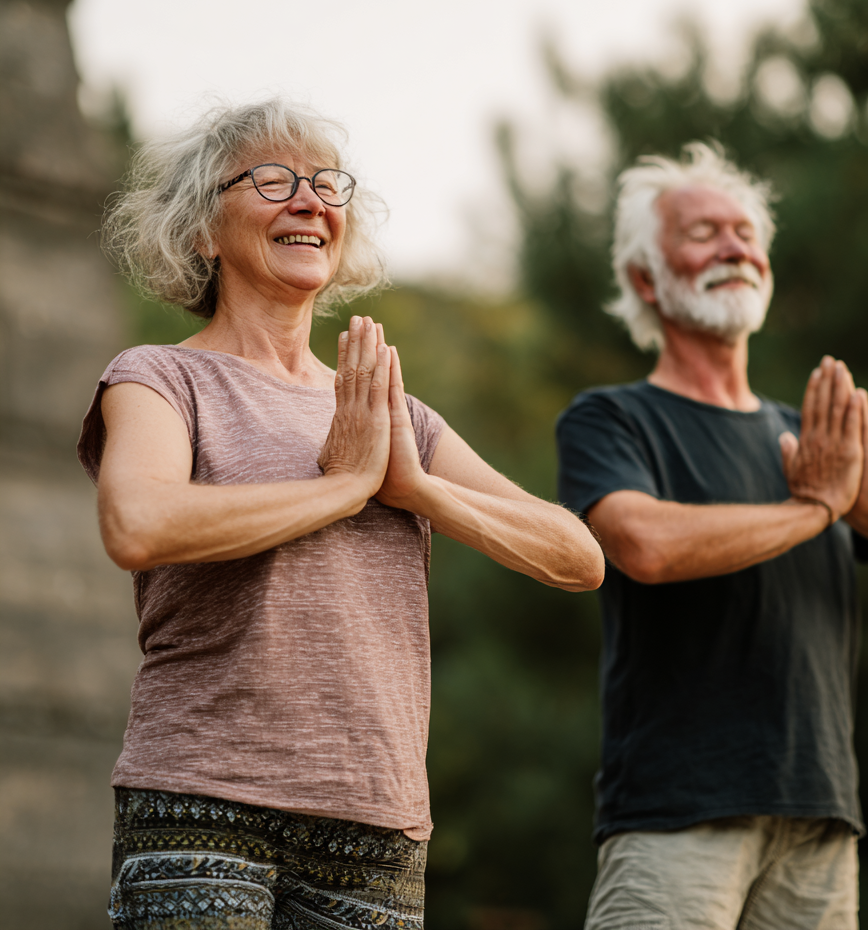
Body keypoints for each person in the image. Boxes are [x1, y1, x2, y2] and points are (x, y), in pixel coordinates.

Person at [78, 99, 605, 930]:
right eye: (273, 179)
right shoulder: (158, 378)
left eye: (327, 184)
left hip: (377, 823)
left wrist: (418, 490)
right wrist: (345, 487)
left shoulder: (398, 418)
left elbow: (580, 556)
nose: (310, 200)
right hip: (202, 802)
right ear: (201, 233)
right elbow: (138, 524)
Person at [555, 144, 868, 930]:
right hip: (675, 815)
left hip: (821, 822)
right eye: (703, 232)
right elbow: (644, 546)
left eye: (744, 232)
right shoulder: (612, 418)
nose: (733, 247)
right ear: (644, 279)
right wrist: (814, 512)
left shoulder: (814, 443)